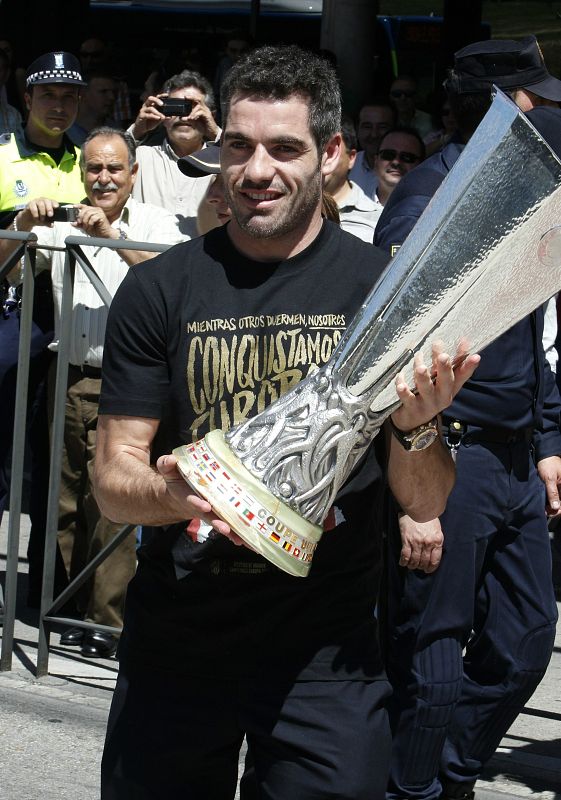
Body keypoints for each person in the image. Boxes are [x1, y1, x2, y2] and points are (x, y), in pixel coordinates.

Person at [92, 44, 479, 799]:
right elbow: (113, 479)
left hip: (325, 655)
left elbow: (427, 500)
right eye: (239, 146)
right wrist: (175, 494)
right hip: (180, 640)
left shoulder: (383, 292)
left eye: (284, 149)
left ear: (331, 154)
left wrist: (418, 427)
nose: (256, 170)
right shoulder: (159, 290)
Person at [375, 39, 561, 800]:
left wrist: (548, 439)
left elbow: (528, 340)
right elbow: (387, 353)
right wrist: (414, 496)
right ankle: (415, 788)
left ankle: (443, 775)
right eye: (533, 98)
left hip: (515, 458)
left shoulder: (524, 188)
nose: (546, 111)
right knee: (432, 661)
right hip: (447, 455)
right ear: (497, 108)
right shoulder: (428, 198)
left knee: (525, 643)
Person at [7, 127, 185, 657]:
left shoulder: (155, 223)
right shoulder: (64, 221)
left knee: (113, 501)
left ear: (133, 173)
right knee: (63, 500)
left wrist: (111, 236)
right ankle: (67, 606)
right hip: (68, 375)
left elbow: (171, 287)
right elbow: (5, 268)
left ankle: (106, 621)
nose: (103, 178)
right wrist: (22, 226)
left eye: (114, 168)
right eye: (93, 168)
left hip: (128, 382)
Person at [0, 51, 86, 605]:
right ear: (27, 97)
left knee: (49, 463)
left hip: (73, 324)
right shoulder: (2, 156)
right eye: (48, 94)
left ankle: (39, 591)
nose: (59, 105)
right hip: (14, 319)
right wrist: (20, 225)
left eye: (69, 96)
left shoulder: (92, 160)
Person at [129, 69, 219, 236]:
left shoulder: (221, 163)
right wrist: (136, 131)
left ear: (210, 115)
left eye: (191, 108)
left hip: (202, 253)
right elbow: (105, 159)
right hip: (148, 252)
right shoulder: (141, 156)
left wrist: (215, 132)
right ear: (162, 114)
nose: (183, 116)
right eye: (175, 107)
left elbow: (246, 162)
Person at [323, 116, 383, 242]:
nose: (322, 159)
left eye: (330, 151)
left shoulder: (377, 219)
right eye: (316, 150)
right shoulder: (291, 210)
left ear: (351, 158)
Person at [349, 100, 395, 197]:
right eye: (367, 127)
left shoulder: (404, 168)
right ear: (357, 129)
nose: (374, 134)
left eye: (382, 127)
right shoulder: (346, 165)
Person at [374, 126, 425, 209]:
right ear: (376, 162)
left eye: (406, 157)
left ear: (421, 165)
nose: (396, 162)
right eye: (388, 154)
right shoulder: (353, 206)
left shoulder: (430, 210)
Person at [68, 69, 118, 145]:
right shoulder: (64, 130)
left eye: (114, 92)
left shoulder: (116, 131)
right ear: (82, 93)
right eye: (103, 91)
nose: (112, 97)